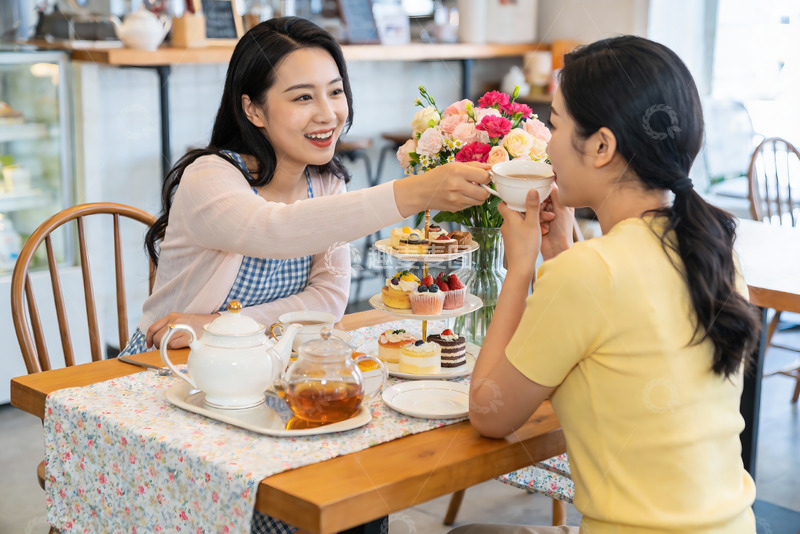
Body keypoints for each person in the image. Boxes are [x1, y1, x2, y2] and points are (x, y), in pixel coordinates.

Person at [453, 36, 761, 534]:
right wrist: (559, 250)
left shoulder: (590, 272)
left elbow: (489, 413)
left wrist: (520, 269)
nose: (548, 145)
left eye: (555, 125)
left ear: (601, 146)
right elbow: (613, 330)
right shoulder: (714, 249)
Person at [119, 17, 489, 357]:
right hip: (167, 362)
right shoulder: (209, 177)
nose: (328, 114)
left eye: (335, 92)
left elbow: (327, 300)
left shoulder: (325, 182)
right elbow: (273, 230)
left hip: (262, 360)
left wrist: (220, 325)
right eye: (303, 97)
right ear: (253, 109)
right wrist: (416, 192)